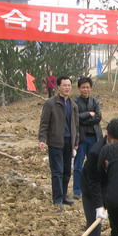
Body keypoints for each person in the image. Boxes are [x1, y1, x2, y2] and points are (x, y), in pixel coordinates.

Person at [38, 76, 79, 208]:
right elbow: (44, 123)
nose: (67, 88)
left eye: (69, 85)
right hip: (56, 142)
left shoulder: (73, 105)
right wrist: (42, 139)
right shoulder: (50, 103)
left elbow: (76, 126)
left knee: (67, 171)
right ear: (58, 87)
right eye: (65, 85)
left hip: (69, 141)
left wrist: (76, 141)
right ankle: (57, 199)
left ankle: (63, 196)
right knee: (57, 171)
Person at [72, 76, 103, 200]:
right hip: (81, 138)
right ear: (79, 88)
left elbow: (98, 117)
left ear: (91, 88)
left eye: (88, 87)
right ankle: (77, 190)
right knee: (78, 165)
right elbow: (75, 118)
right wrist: (88, 114)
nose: (86, 89)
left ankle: (93, 188)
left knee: (93, 165)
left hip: (94, 137)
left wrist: (83, 120)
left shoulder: (95, 101)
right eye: (83, 87)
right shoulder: (74, 102)